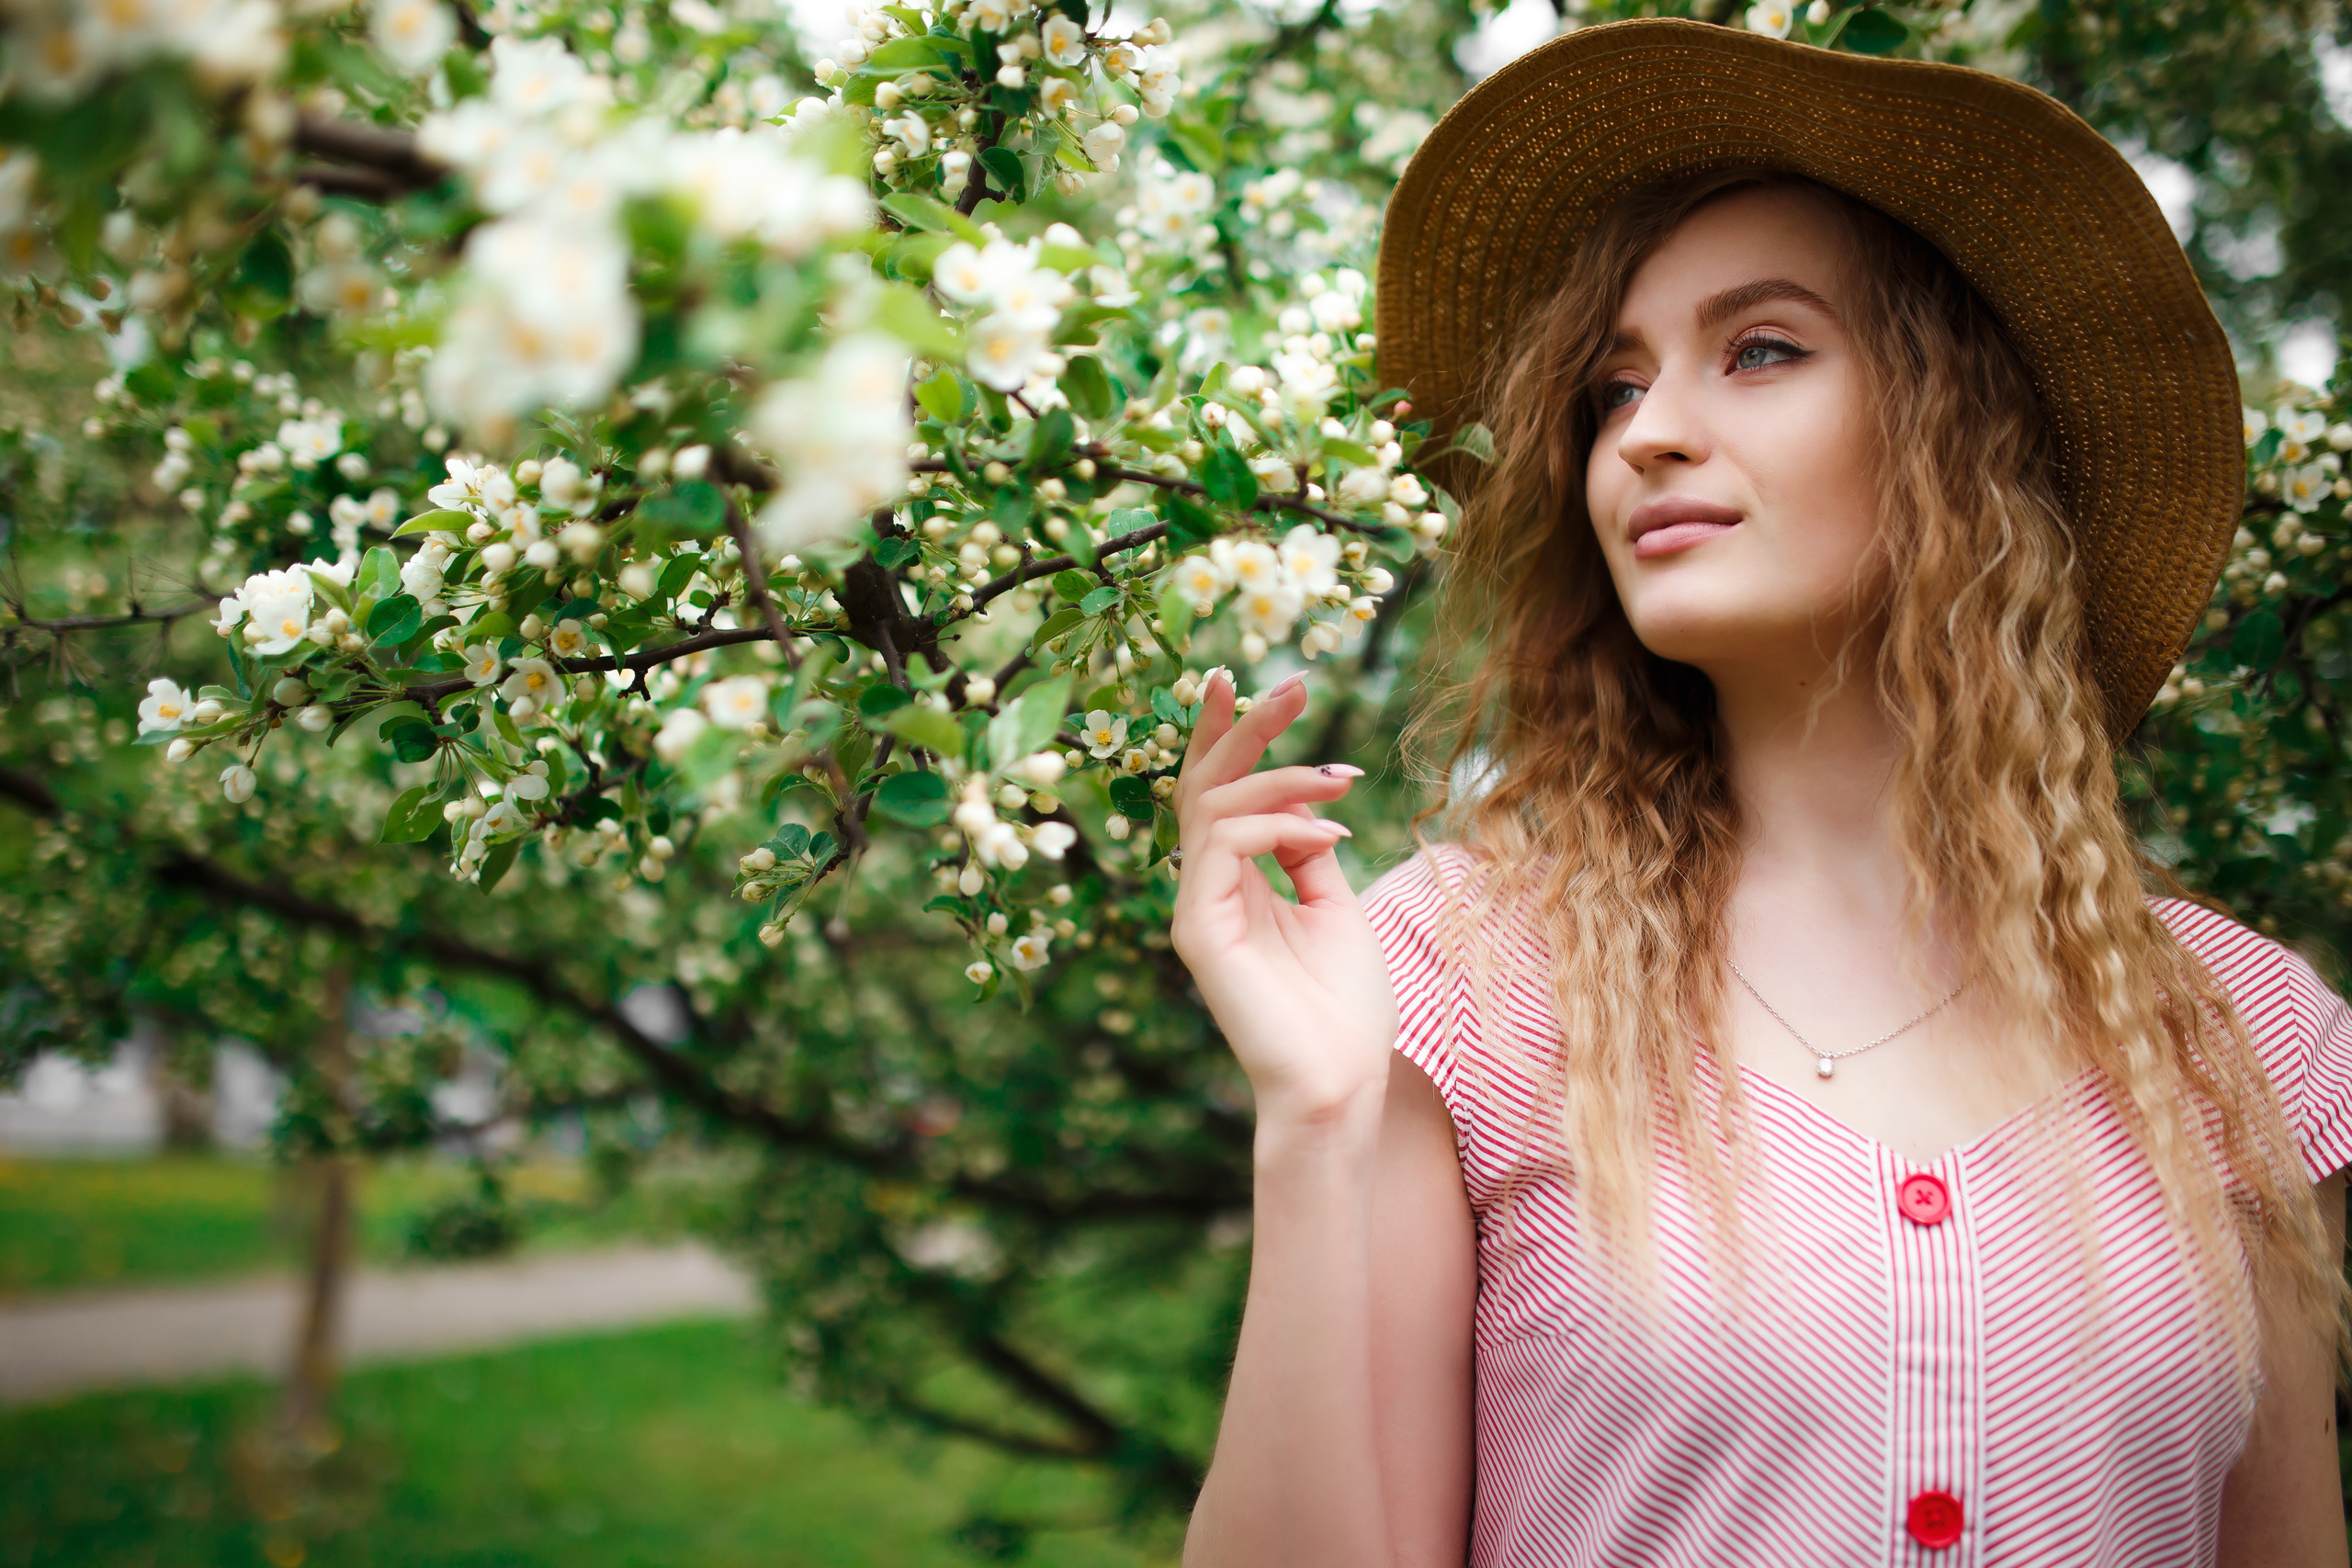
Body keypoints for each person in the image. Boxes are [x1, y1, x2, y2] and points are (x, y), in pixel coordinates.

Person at [1168, 17, 2352, 1568]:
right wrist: (1314, 1128)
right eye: (1609, 389)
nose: (1647, 431)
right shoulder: (1462, 980)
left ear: (1959, 440)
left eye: (1764, 349)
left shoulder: (2248, 1042)